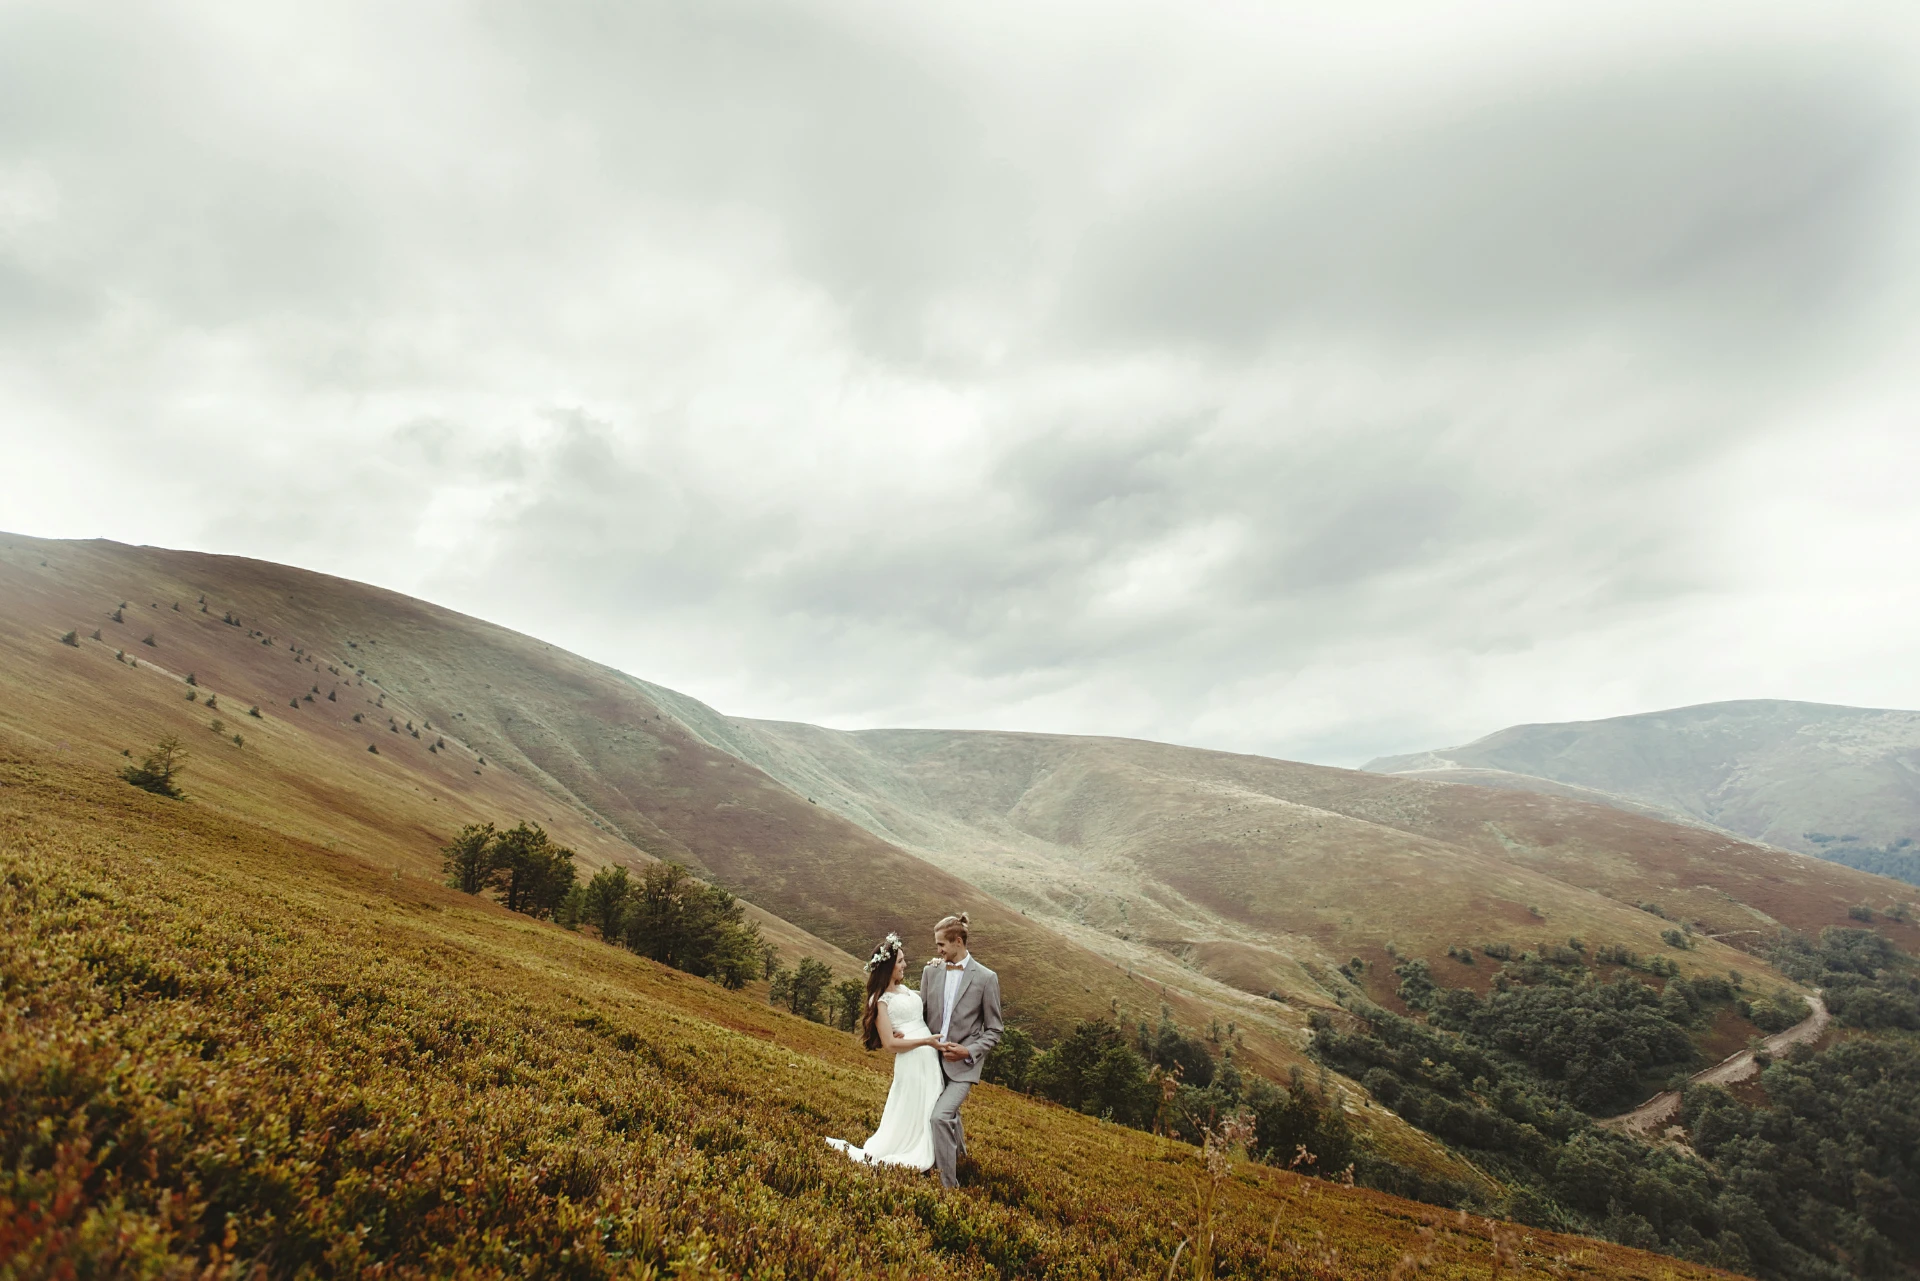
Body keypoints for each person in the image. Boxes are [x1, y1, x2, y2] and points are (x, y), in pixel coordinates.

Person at [824, 933, 945, 1170]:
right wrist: (925, 1041)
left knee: (929, 1104)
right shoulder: (879, 1000)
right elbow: (889, 1044)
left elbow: (927, 1000)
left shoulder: (904, 989)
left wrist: (936, 969)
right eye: (900, 961)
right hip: (912, 1059)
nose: (904, 965)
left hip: (928, 1057)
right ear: (888, 967)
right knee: (912, 1107)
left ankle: (937, 1154)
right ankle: (912, 1153)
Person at [918, 912, 1003, 1189]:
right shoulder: (930, 971)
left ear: (958, 941)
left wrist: (967, 1051)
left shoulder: (987, 978)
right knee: (942, 1114)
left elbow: (995, 1030)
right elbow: (921, 1013)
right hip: (930, 1062)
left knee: (940, 1117)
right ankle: (963, 1162)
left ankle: (948, 1187)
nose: (938, 950)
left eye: (941, 945)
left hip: (964, 1067)